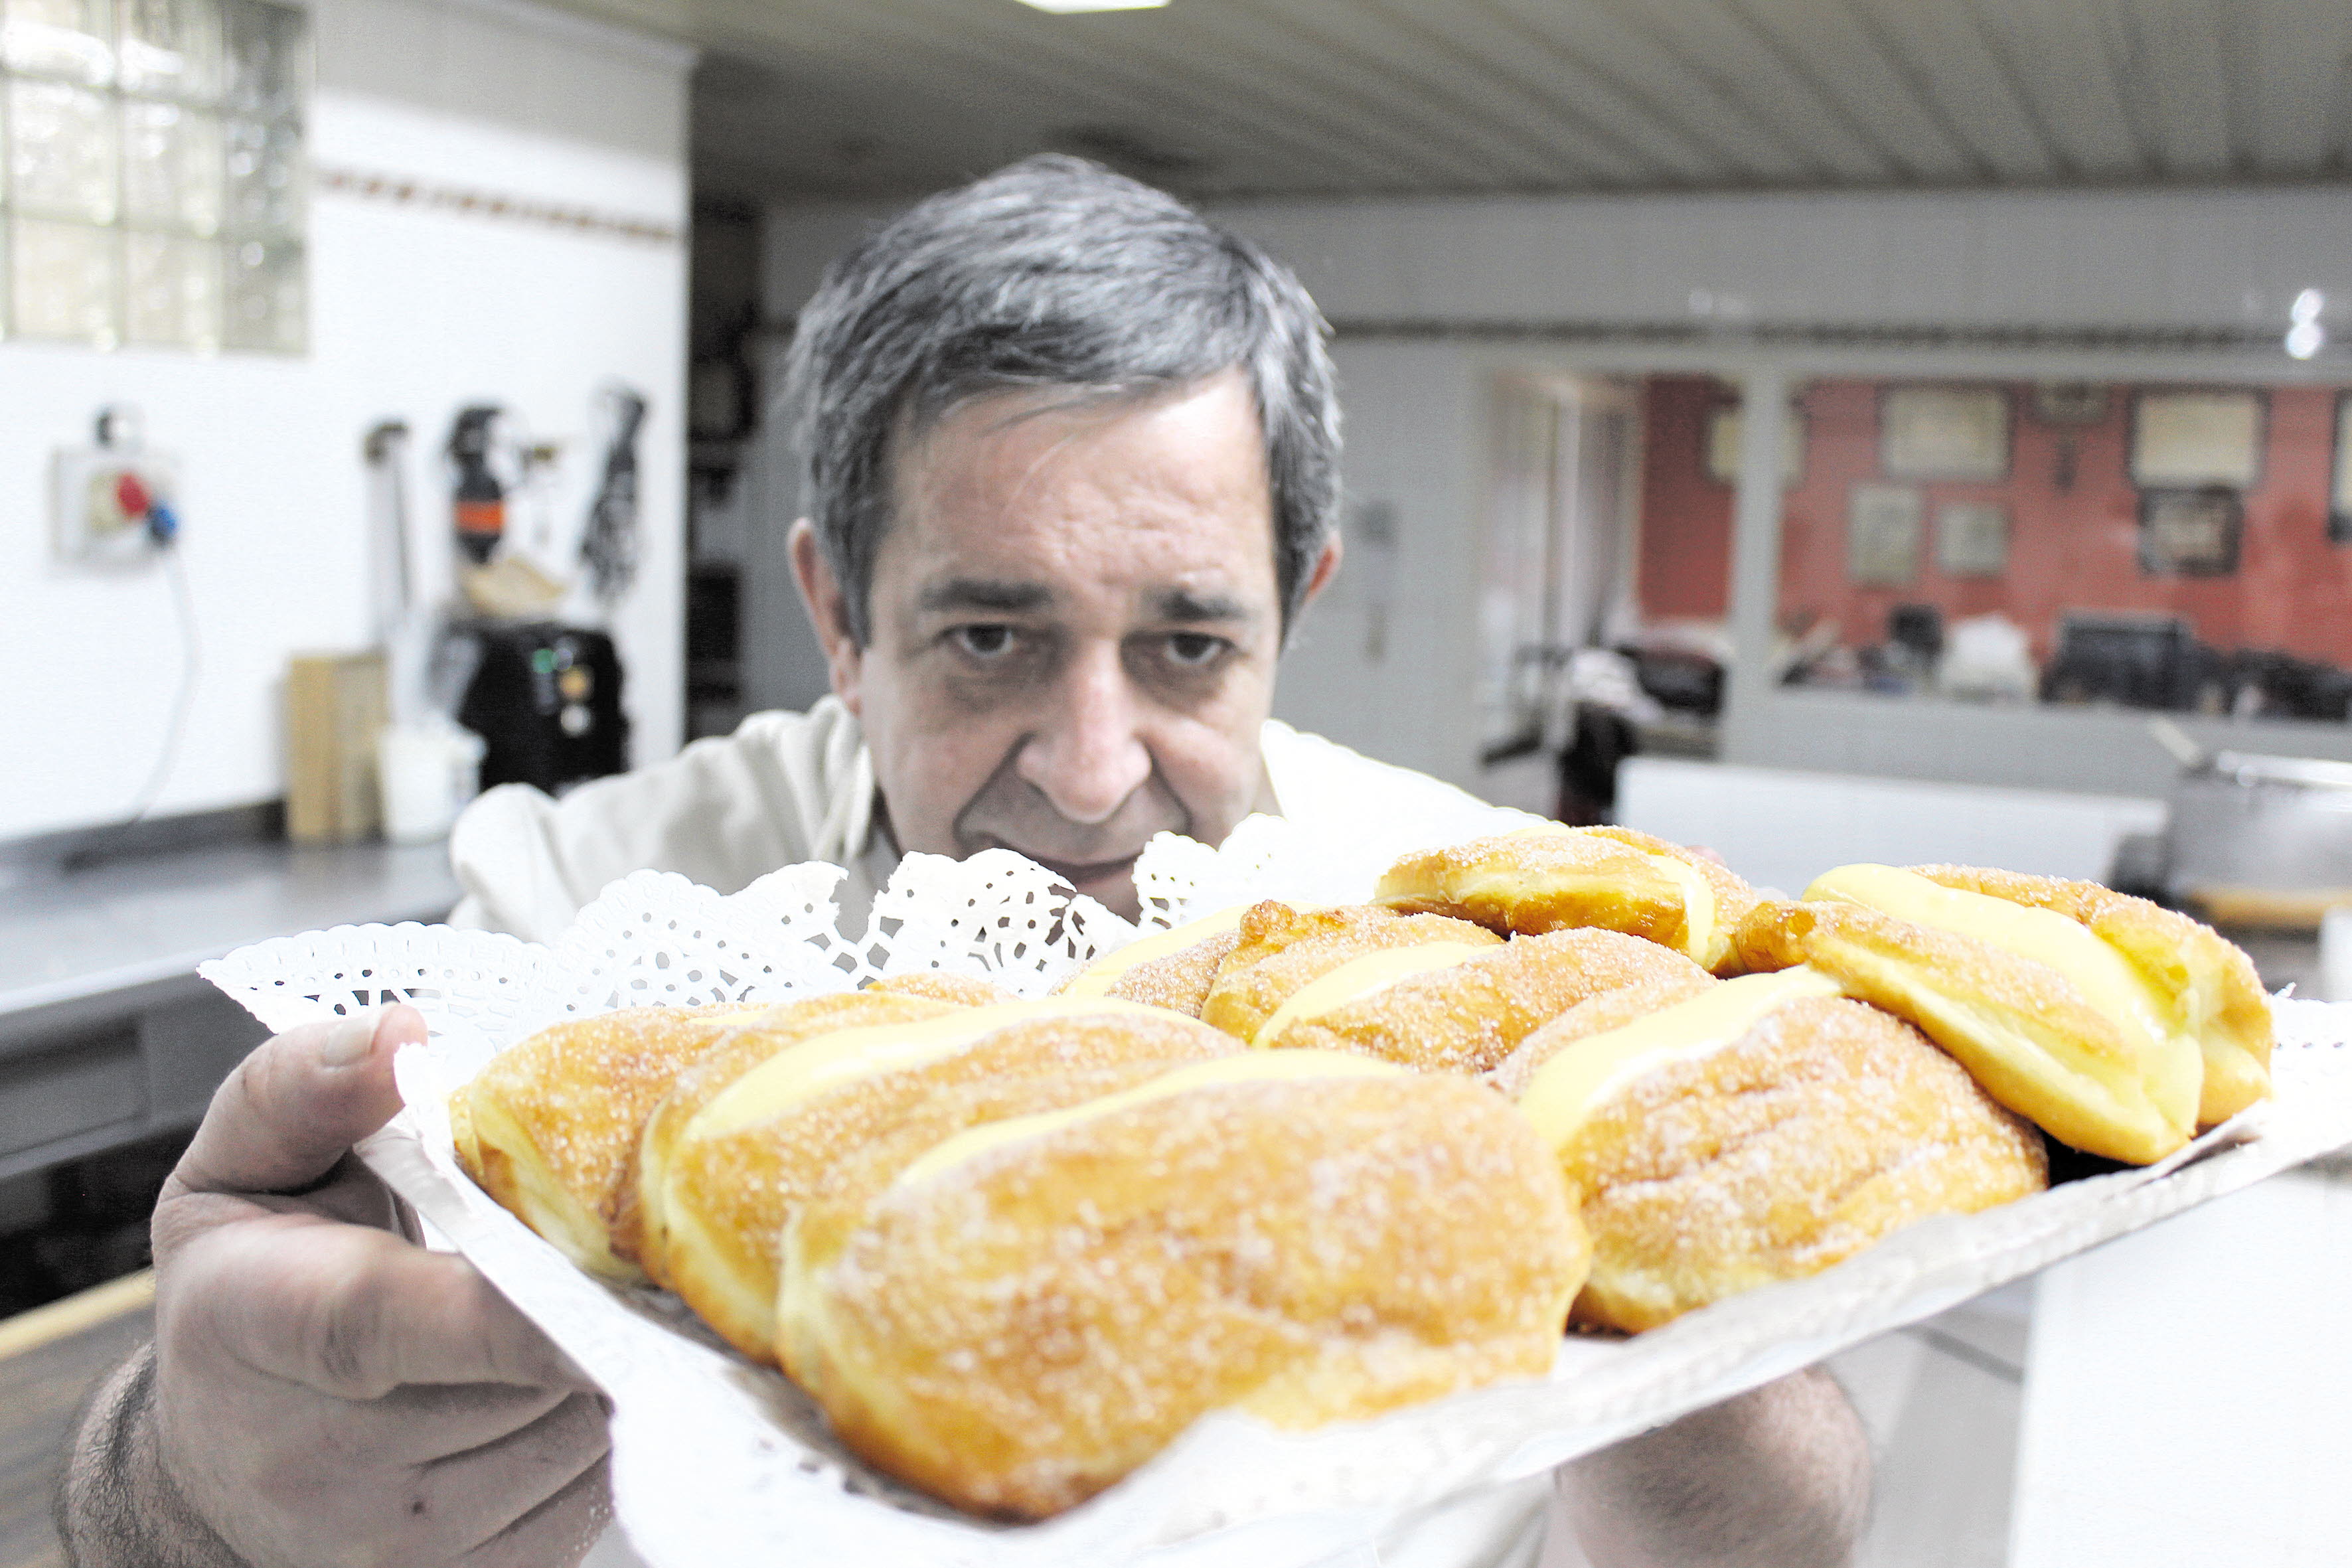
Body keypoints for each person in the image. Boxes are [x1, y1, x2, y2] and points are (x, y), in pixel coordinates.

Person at [59, 157, 1867, 1568]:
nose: (1091, 777)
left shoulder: (1486, 932)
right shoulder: (582, 933)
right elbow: (190, 1500)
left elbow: (1761, 1531)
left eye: (1186, 648)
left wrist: (1696, 1371)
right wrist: (195, 1485)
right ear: (839, 615)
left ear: (1292, 613)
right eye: (990, 640)